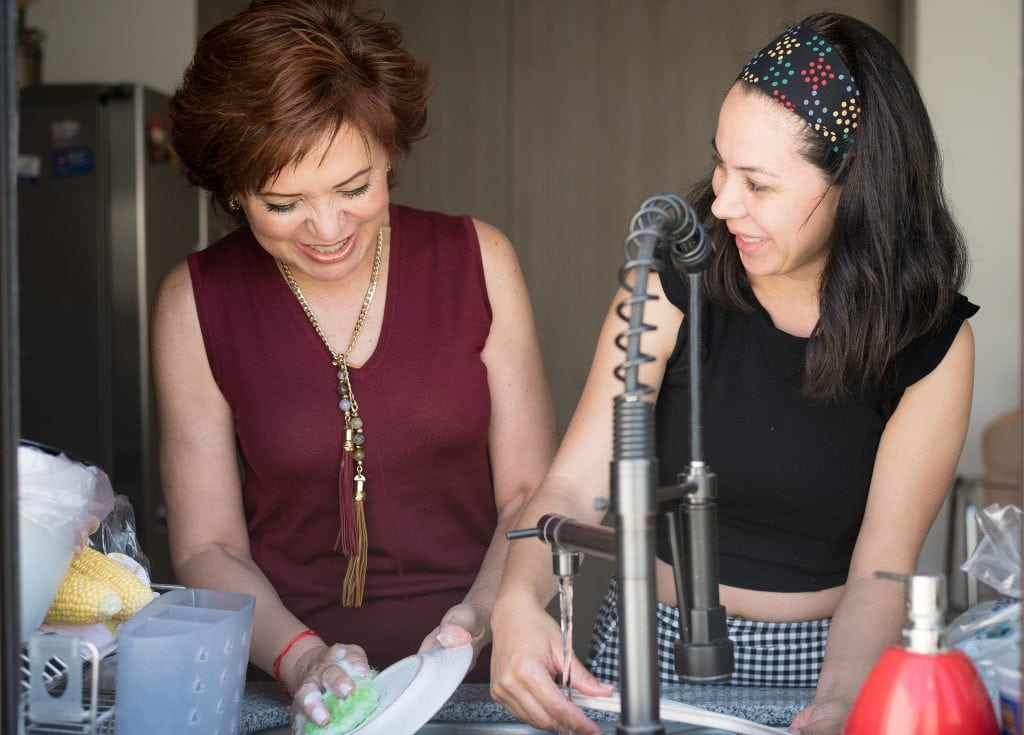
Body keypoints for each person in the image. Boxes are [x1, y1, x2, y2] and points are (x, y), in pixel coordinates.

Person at [490, 12, 976, 735]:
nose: (721, 202)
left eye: (758, 183)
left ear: (856, 185)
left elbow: (883, 568)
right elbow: (571, 483)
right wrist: (517, 601)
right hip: (645, 642)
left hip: (825, 662)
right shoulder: (676, 270)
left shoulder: (929, 338)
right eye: (721, 165)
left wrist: (840, 702)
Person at [152, 0, 556, 729]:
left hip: (477, 678)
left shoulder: (480, 261)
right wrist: (303, 659)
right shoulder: (194, 302)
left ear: (390, 154)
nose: (330, 229)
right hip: (292, 690)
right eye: (283, 203)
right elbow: (209, 544)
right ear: (234, 191)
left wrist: (481, 616)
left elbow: (528, 493)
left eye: (354, 187)